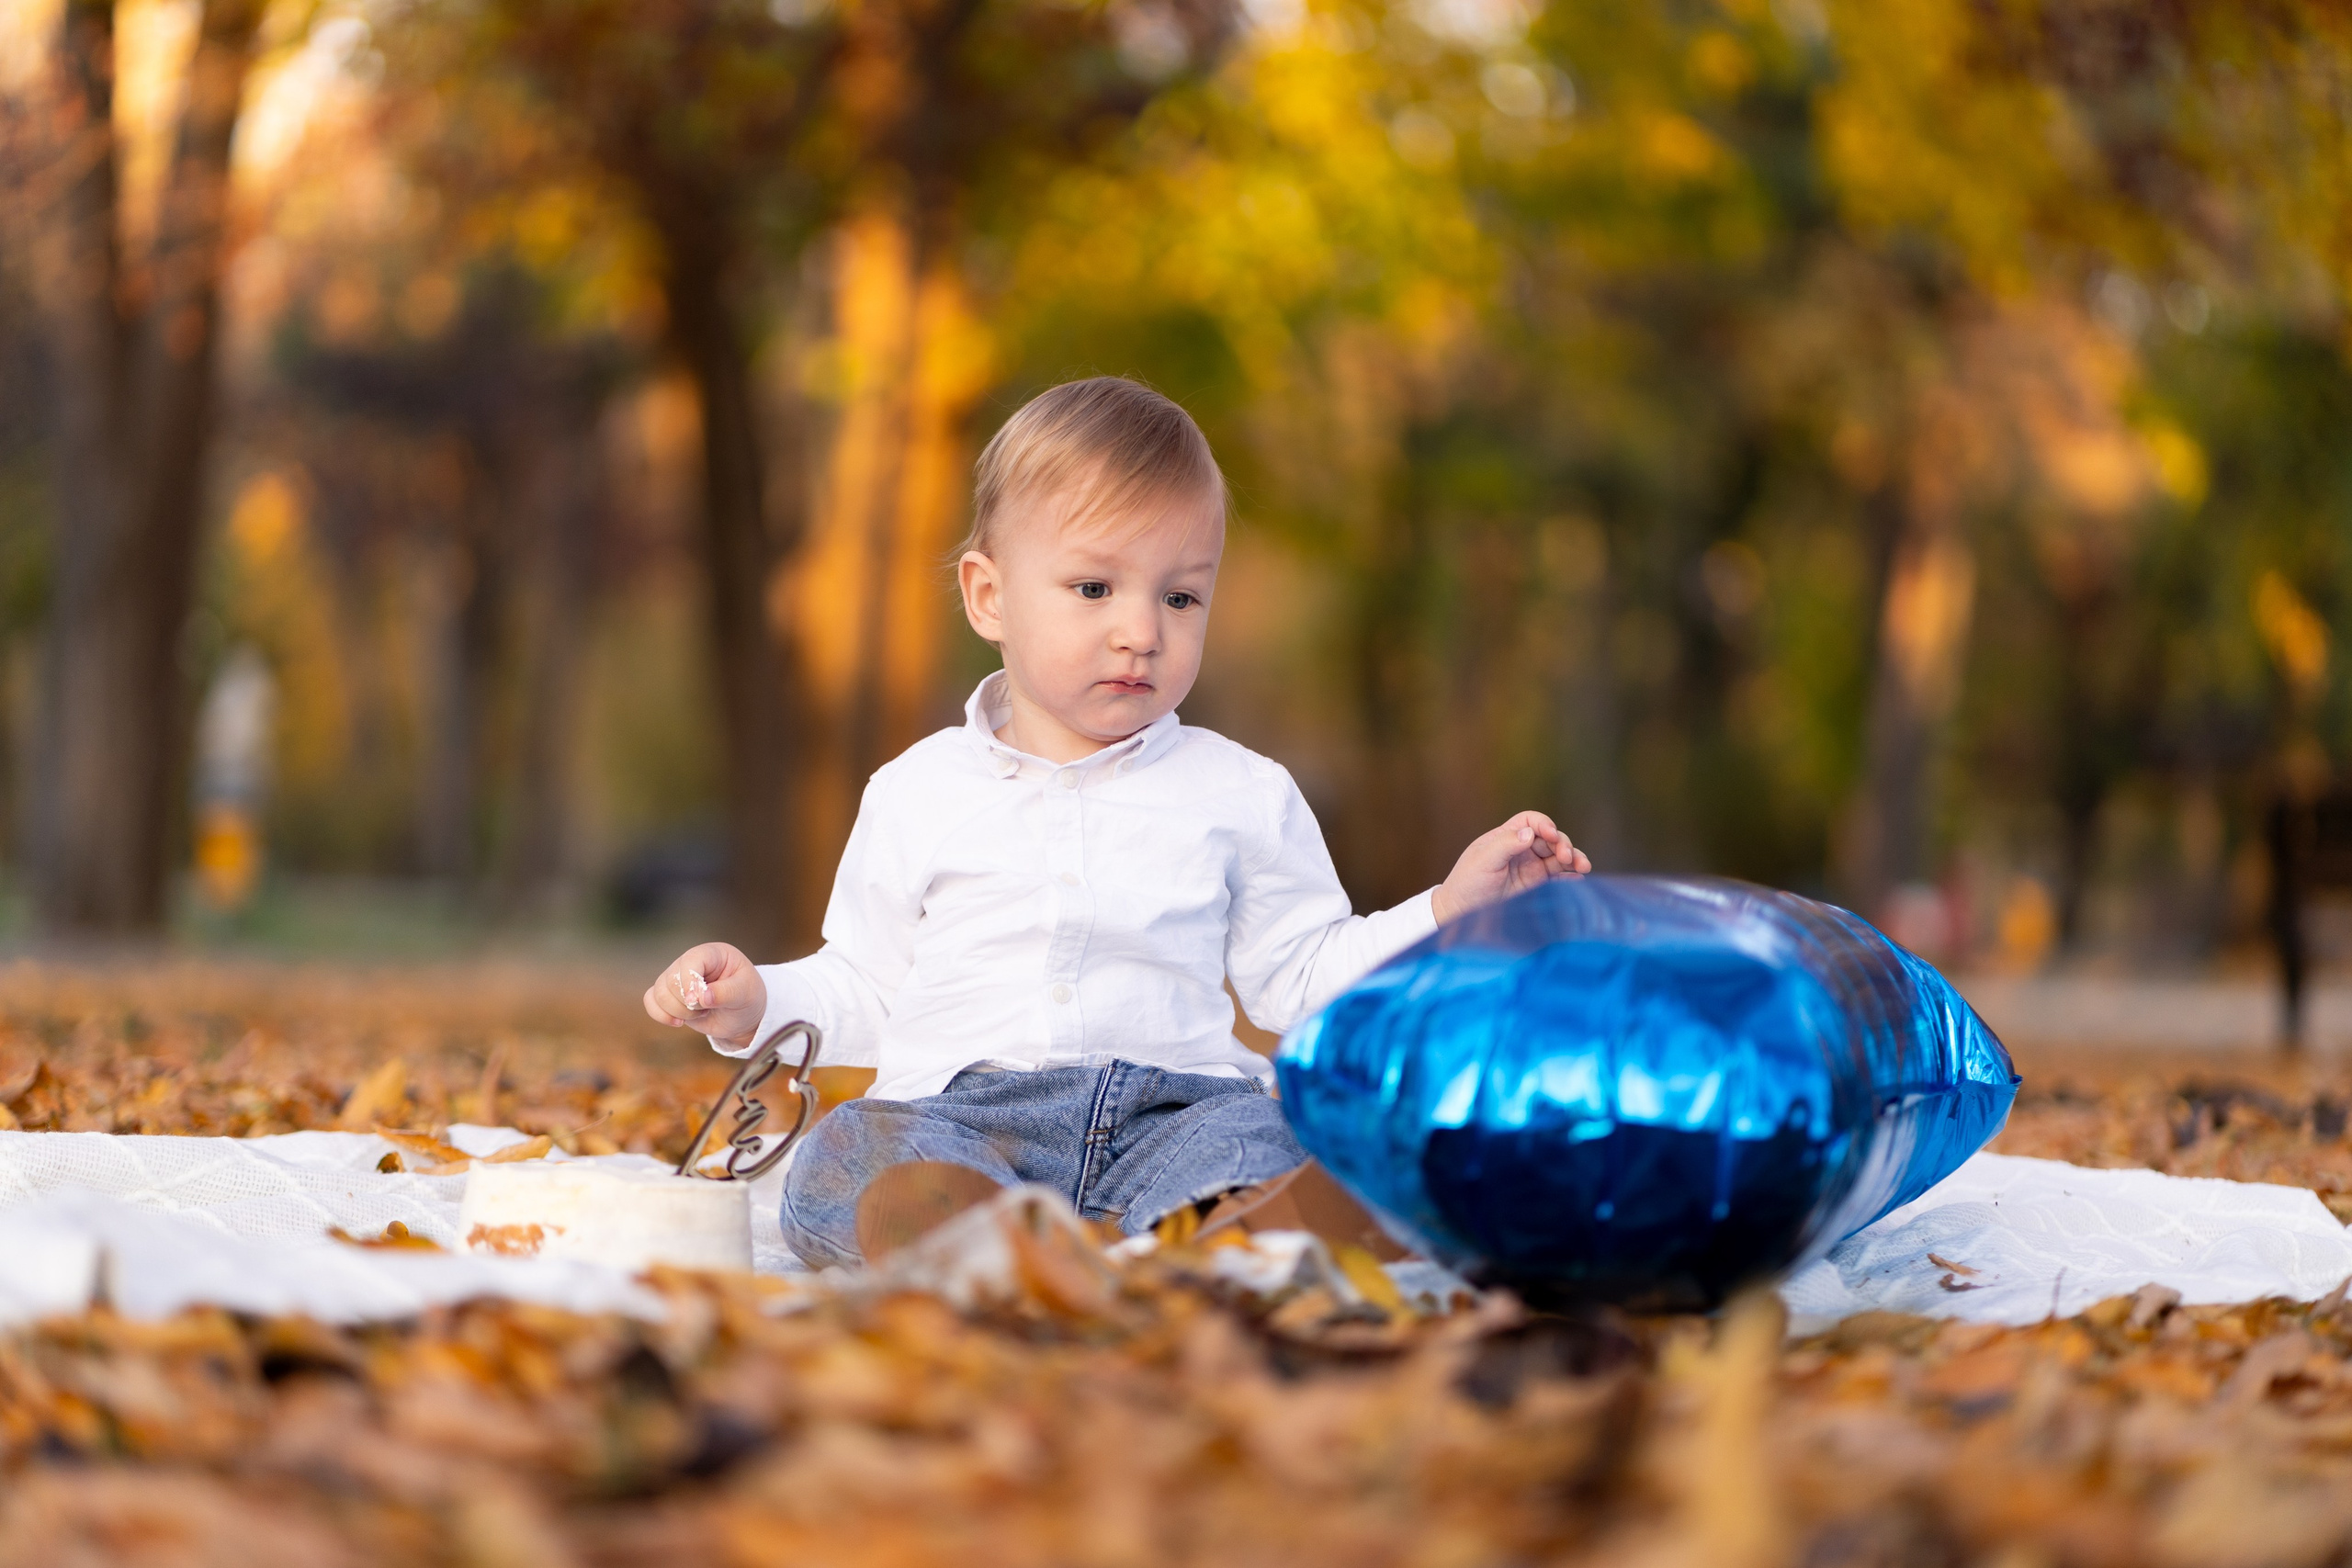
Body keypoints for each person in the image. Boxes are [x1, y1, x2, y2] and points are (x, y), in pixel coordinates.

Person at [644, 376, 1589, 1268]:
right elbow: (869, 984)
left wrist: (1445, 909)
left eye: (1180, 596)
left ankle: (1238, 1228)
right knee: (848, 1153)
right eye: (1094, 589)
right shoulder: (915, 790)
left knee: (1273, 1136)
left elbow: (1299, 977)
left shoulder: (1242, 792)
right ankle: (983, 1242)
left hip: (1173, 1114)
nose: (1142, 629)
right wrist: (756, 1003)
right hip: (961, 1122)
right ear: (989, 597)